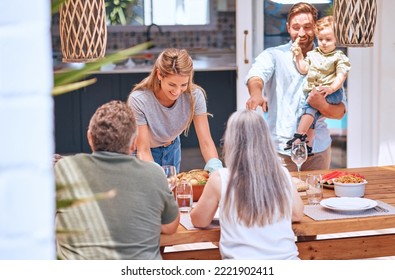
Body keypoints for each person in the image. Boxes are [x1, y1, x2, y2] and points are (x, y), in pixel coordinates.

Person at [55, 100, 180, 260]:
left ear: (89, 138)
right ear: (134, 143)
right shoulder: (155, 173)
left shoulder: (65, 170)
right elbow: (170, 227)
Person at [245, 2, 347, 172]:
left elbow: (340, 111)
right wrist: (256, 94)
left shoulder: (330, 60)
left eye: (307, 27)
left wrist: (321, 105)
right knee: (281, 199)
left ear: (315, 27)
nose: (301, 33)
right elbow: (256, 76)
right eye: (296, 27)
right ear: (288, 28)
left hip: (318, 151)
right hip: (279, 152)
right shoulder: (274, 55)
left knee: (316, 196)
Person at [190, 109, 304, 260]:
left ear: (231, 141)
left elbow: (199, 220)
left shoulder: (220, 178)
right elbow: (297, 214)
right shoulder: (282, 173)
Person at [127, 48, 222, 173]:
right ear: (159, 74)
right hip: (145, 153)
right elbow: (143, 150)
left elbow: (206, 142)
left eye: (183, 85)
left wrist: (216, 170)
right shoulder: (139, 100)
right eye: (172, 85)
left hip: (172, 150)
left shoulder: (195, 96)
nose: (177, 91)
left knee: (172, 191)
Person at [285, 15, 351, 155]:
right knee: (313, 119)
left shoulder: (338, 56)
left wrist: (331, 88)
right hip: (318, 91)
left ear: (336, 40)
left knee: (309, 107)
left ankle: (299, 135)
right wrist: (298, 55)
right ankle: (307, 146)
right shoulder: (314, 54)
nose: (324, 43)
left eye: (328, 40)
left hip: (331, 92)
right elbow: (303, 68)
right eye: (320, 39)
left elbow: (341, 75)